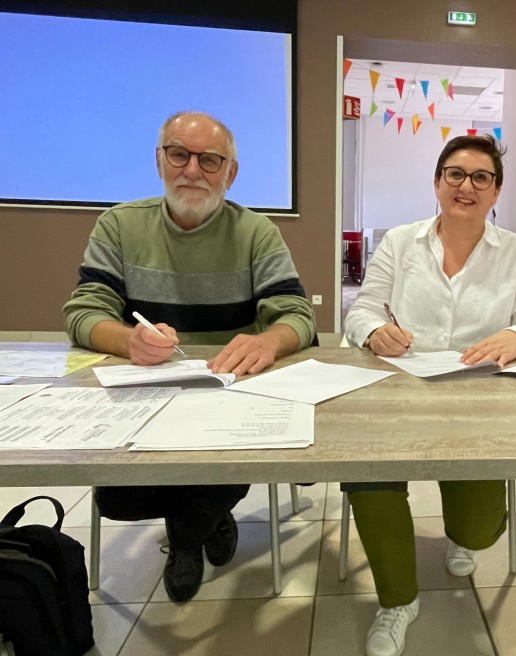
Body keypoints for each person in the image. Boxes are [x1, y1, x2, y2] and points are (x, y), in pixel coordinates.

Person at [63, 110, 316, 601]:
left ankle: (185, 539)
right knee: (116, 500)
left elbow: (296, 314)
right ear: (159, 161)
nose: (193, 170)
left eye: (210, 160)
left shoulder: (256, 231)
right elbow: (83, 312)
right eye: (179, 155)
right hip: (145, 388)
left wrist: (266, 342)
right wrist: (128, 341)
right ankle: (209, 517)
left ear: (230, 173)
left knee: (225, 465)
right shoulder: (119, 226)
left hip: (228, 391)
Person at [344, 134, 516, 656]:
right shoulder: (400, 242)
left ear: (496, 191)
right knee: (367, 476)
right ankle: (397, 601)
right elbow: (362, 309)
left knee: (479, 530)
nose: (467, 186)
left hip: (478, 399)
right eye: (455, 174)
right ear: (438, 183)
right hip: (400, 390)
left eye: (481, 177)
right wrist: (374, 331)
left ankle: (464, 534)